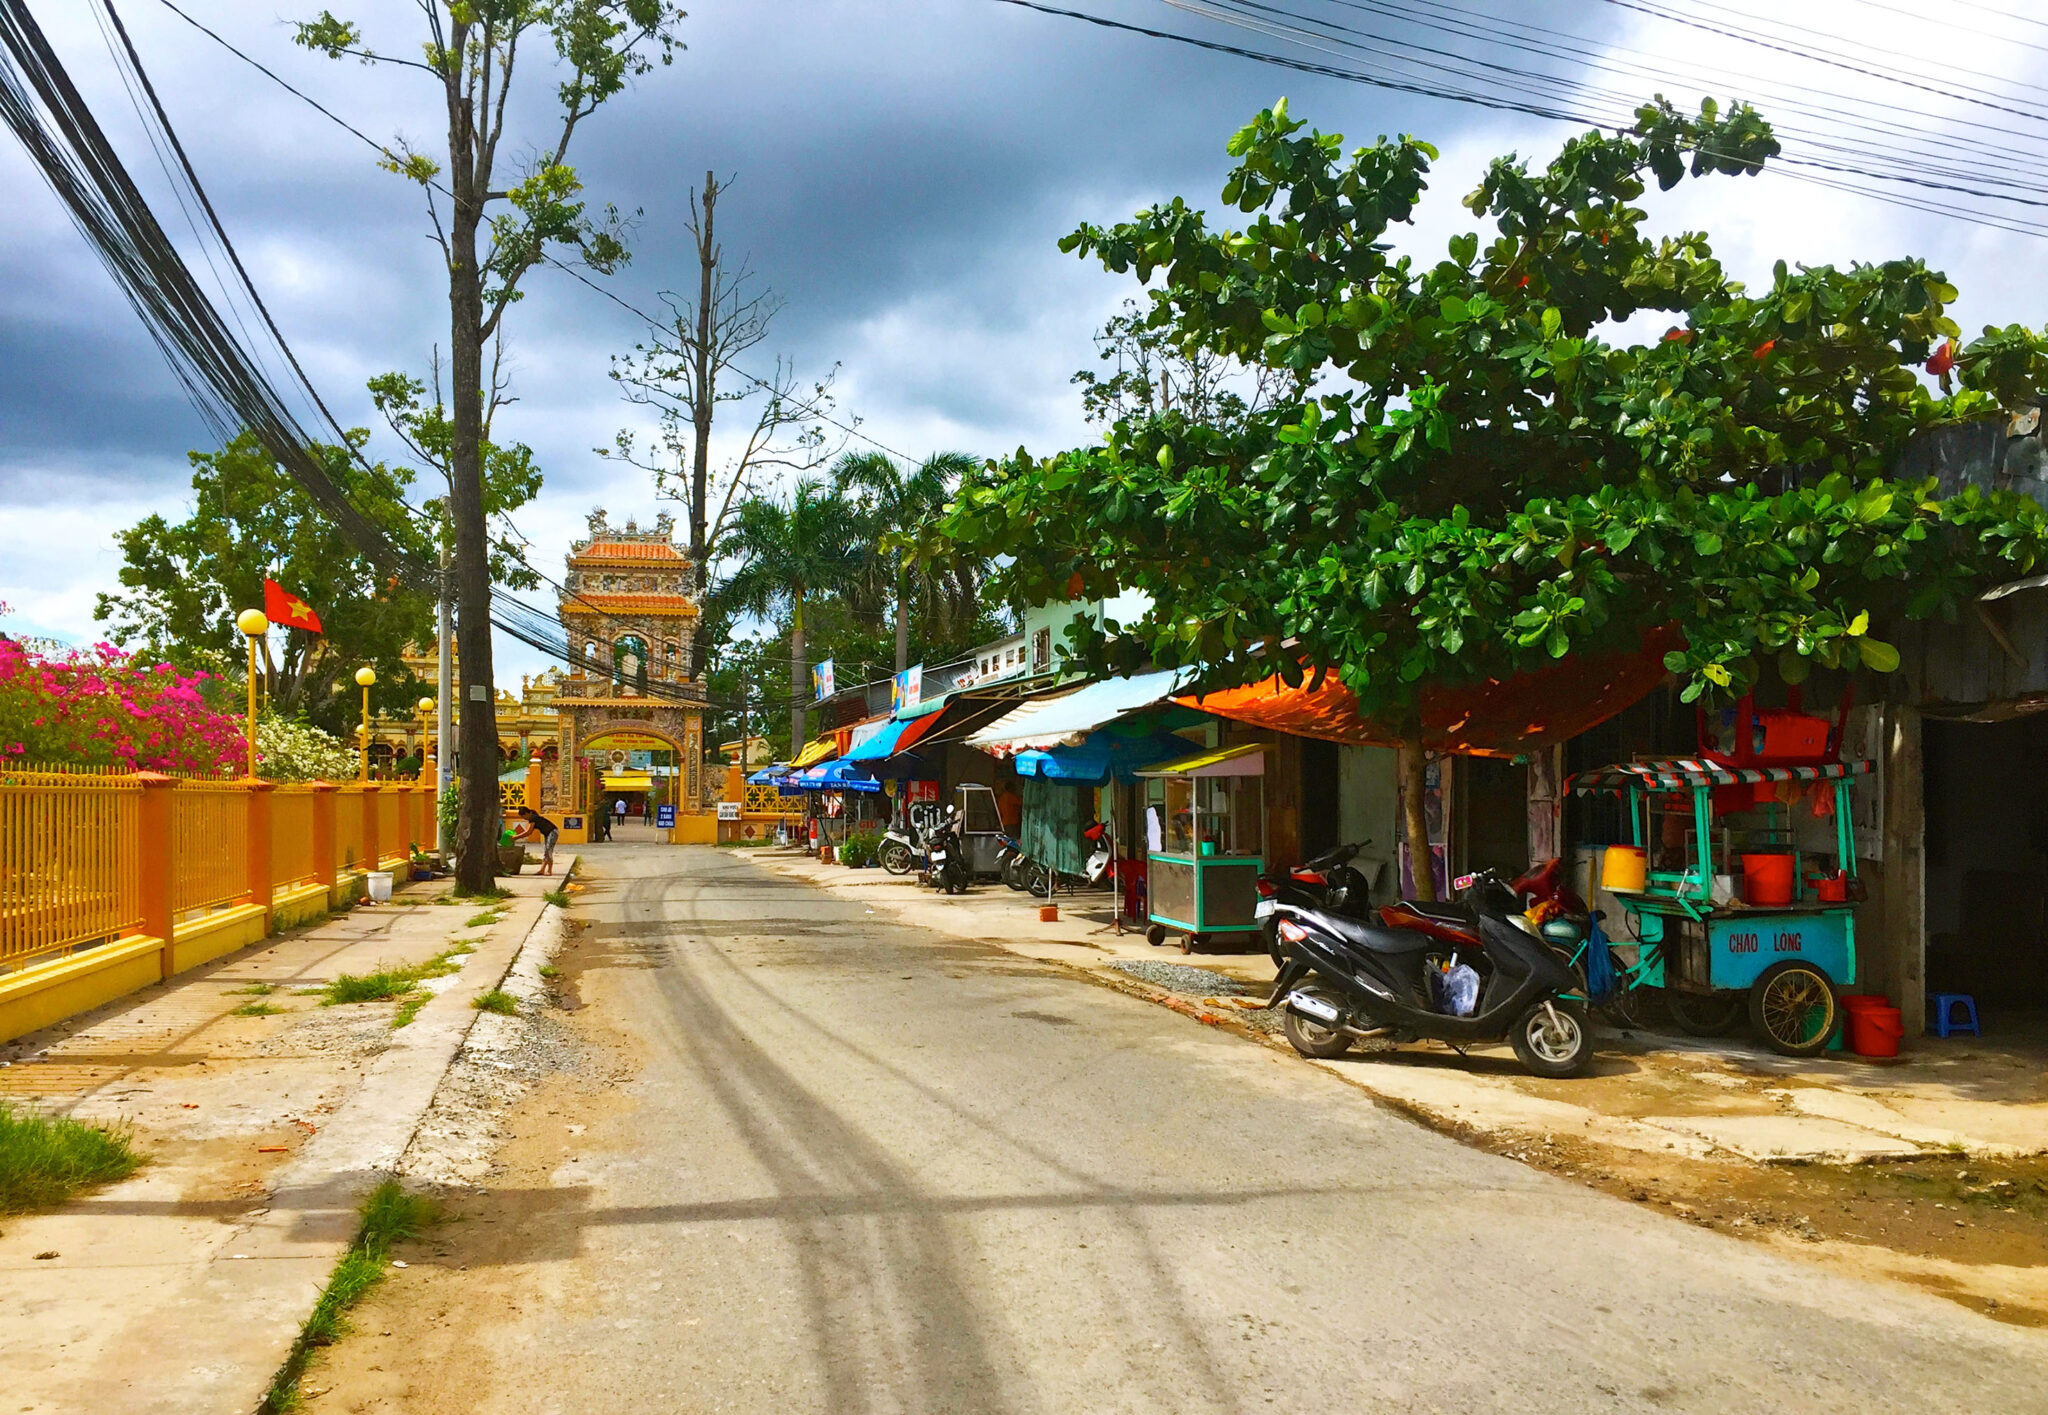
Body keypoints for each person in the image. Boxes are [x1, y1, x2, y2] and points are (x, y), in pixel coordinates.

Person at [517, 807, 560, 876]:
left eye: (523, 816)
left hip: (552, 832)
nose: (523, 818)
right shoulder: (533, 817)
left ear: (526, 813)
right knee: (546, 851)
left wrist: (515, 837)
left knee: (548, 851)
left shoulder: (533, 818)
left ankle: (549, 870)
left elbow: (528, 832)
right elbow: (527, 831)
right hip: (548, 833)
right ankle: (542, 870)